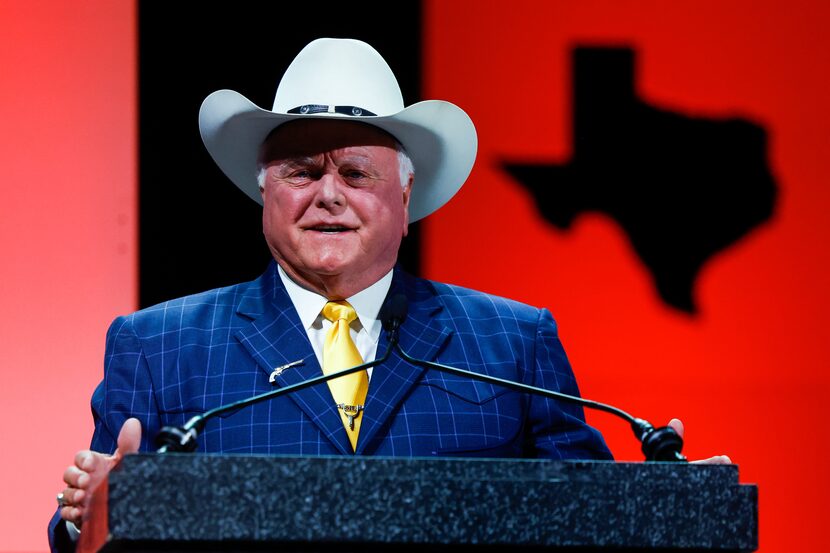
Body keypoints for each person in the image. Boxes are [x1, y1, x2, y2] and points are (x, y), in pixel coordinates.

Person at [49, 38, 726, 552]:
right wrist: (93, 506)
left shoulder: (512, 344)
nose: (329, 195)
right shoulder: (159, 343)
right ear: (264, 188)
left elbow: (594, 517)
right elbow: (79, 525)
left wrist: (675, 503)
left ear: (404, 195)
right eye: (302, 170)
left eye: (355, 171)